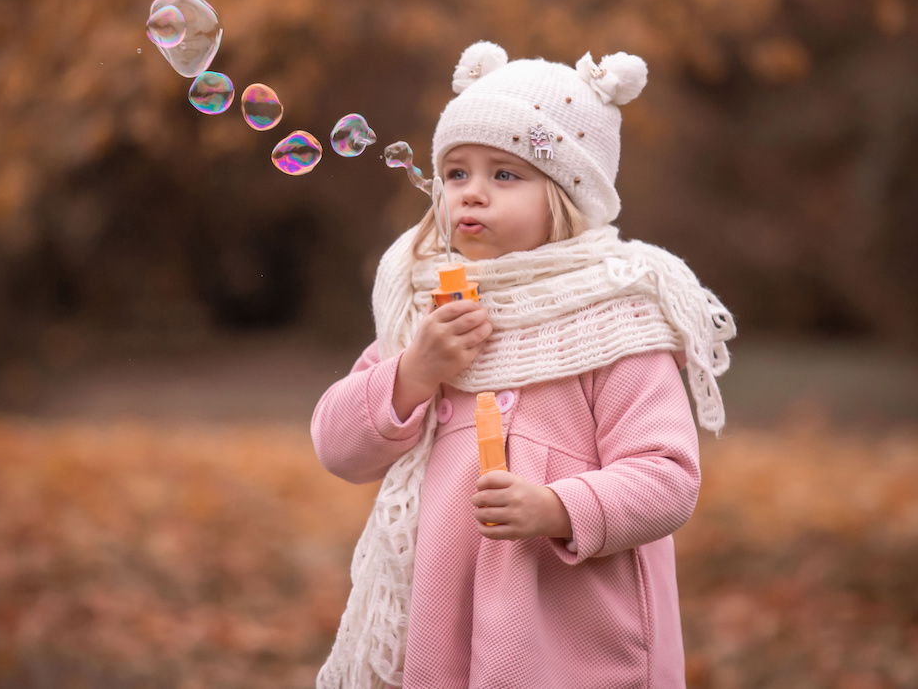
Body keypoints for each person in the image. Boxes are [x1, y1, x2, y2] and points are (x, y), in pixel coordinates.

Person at [311, 41, 736, 688]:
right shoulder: (430, 309)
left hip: (575, 644)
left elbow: (667, 476)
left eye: (504, 175)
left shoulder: (610, 313)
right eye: (456, 174)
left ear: (567, 196)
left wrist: (558, 506)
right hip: (445, 637)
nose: (471, 194)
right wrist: (413, 373)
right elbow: (338, 447)